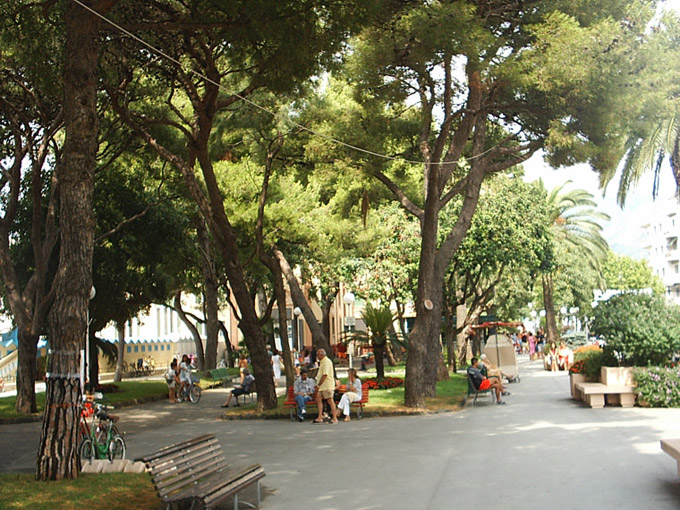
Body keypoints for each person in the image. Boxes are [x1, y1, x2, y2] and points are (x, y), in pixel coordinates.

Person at [312, 348, 337, 423]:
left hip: (327, 385)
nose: (317, 356)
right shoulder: (322, 362)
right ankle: (320, 417)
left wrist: (319, 384)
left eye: (318, 354)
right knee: (318, 399)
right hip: (322, 386)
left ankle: (335, 418)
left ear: (321, 355)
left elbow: (325, 375)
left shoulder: (326, 362)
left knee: (330, 400)